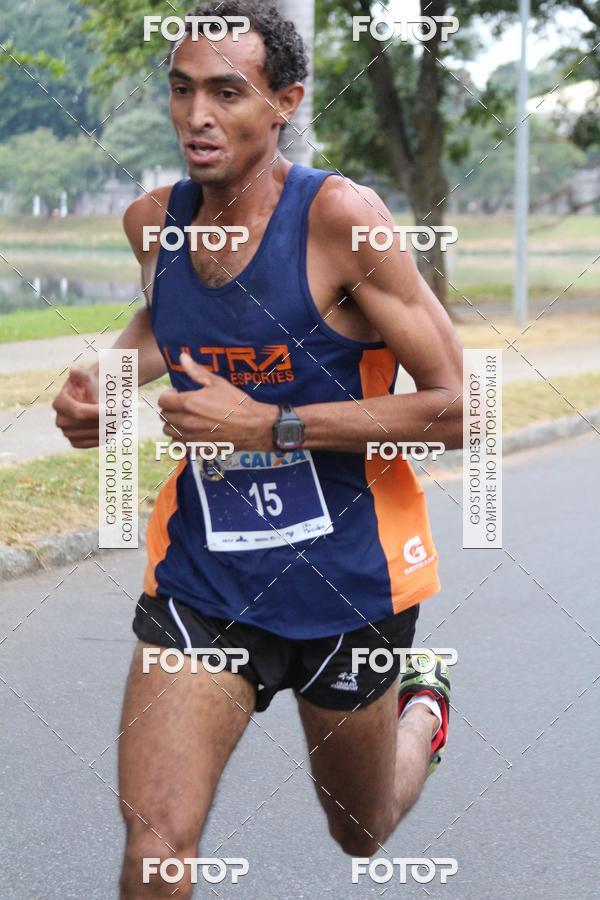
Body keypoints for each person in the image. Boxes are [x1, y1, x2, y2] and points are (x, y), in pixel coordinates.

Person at [53, 2, 462, 897]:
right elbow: (164, 323)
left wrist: (273, 425)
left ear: (285, 102)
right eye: (182, 90)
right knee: (155, 853)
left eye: (227, 93)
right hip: (206, 582)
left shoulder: (340, 219)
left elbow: (461, 408)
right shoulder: (154, 221)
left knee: (361, 831)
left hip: (348, 582)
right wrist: (102, 395)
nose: (197, 116)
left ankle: (423, 708)